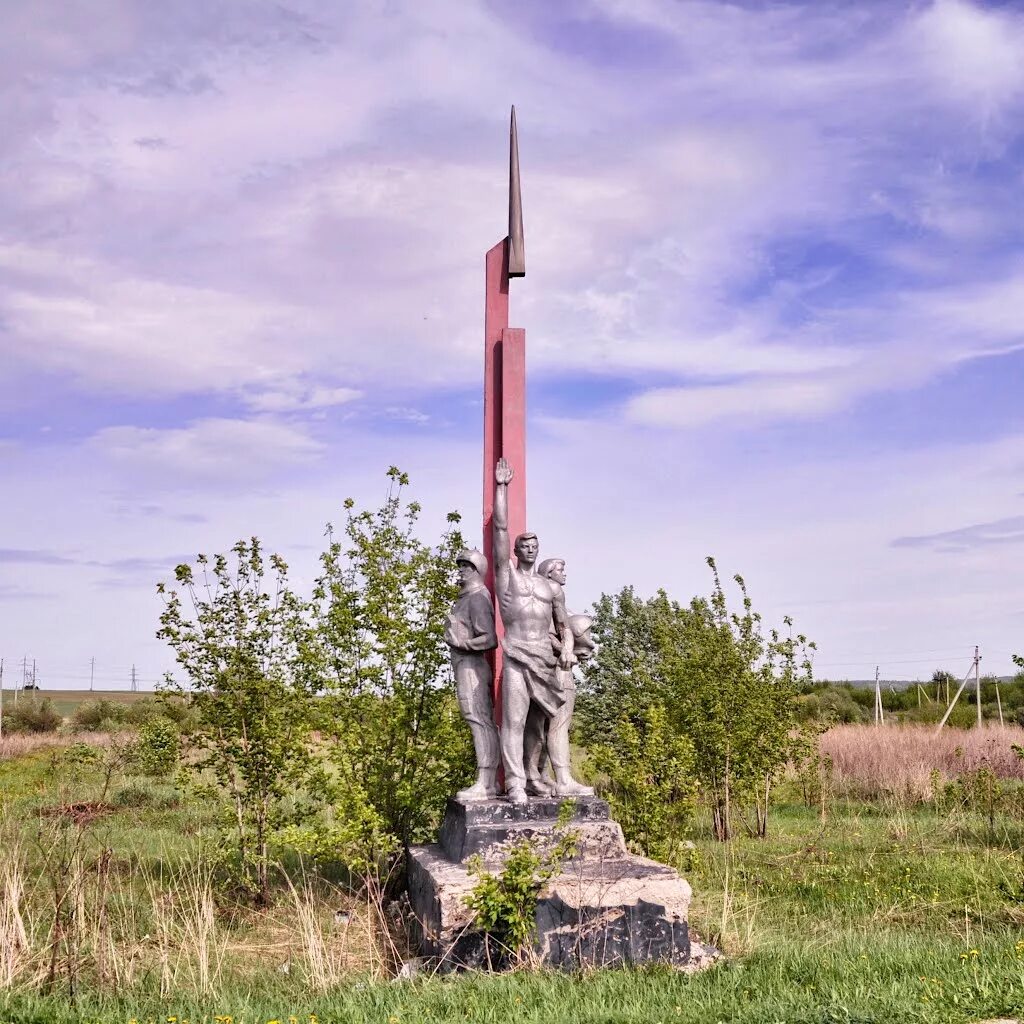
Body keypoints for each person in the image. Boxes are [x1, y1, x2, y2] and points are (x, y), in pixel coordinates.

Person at [492, 458, 573, 803]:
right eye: (524, 545)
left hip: (544, 659)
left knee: (538, 727)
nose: (530, 548)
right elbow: (499, 530)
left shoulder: (550, 588)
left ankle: (535, 776)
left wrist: (567, 648)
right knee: (513, 720)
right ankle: (514, 783)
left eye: (534, 545)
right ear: (516, 550)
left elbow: (565, 627)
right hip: (516, 656)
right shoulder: (507, 577)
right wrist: (502, 487)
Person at [522, 558, 595, 798]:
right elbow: (553, 633)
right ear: (549, 575)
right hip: (555, 670)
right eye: (561, 570)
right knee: (556, 726)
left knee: (540, 727)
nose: (564, 575)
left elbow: (572, 632)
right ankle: (561, 780)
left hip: (542, 669)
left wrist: (578, 646)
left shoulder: (545, 604)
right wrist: (567, 648)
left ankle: (538, 776)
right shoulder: (547, 603)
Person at [444, 547, 500, 799]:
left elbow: (489, 639)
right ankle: (485, 780)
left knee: (480, 720)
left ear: (477, 570)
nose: (461, 571)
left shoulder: (478, 597)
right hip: (463, 665)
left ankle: (487, 782)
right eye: (460, 566)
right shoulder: (465, 598)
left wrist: (463, 643)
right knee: (473, 718)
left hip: (472, 666)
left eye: (466, 566)